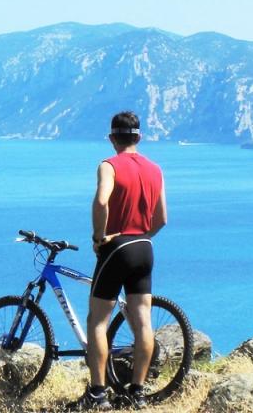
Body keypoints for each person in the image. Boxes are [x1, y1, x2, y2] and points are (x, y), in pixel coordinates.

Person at [77, 111, 168, 410]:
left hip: (117, 247)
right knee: (142, 321)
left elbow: (102, 200)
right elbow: (162, 219)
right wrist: (142, 235)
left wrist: (99, 237)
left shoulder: (109, 166)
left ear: (112, 138)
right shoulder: (155, 169)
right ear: (139, 137)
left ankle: (98, 394)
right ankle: (137, 392)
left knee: (97, 321)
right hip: (144, 246)